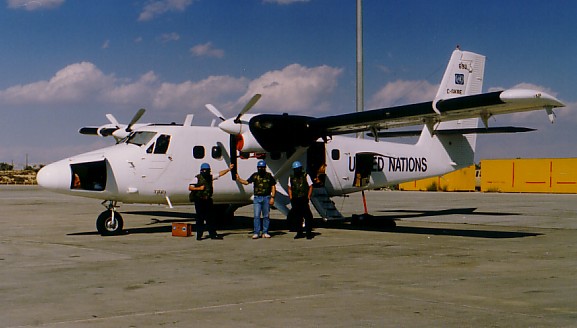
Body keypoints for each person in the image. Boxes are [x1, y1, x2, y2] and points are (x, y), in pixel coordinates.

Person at [188, 163, 233, 240]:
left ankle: (212, 234)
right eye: (204, 170)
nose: (206, 172)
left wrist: (229, 169)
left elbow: (220, 174)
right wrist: (199, 188)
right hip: (199, 200)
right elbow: (190, 187)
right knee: (200, 218)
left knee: (210, 218)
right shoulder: (197, 178)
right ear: (201, 171)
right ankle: (199, 235)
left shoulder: (210, 177)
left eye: (207, 170)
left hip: (207, 200)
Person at [236, 160, 276, 239]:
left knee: (266, 216)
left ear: (265, 168)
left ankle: (265, 232)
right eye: (259, 167)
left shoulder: (269, 176)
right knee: (256, 216)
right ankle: (256, 232)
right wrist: (239, 179)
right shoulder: (255, 176)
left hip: (266, 197)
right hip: (257, 198)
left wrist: (272, 197)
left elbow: (273, 186)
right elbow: (247, 182)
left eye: (262, 167)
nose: (261, 169)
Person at [288, 161, 314, 239]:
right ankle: (299, 232)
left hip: (303, 198)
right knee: (297, 217)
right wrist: (291, 197)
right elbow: (289, 188)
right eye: (295, 169)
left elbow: (310, 186)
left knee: (308, 216)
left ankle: (308, 233)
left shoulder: (306, 176)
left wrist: (308, 197)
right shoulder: (291, 177)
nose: (297, 170)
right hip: (295, 199)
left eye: (298, 169)